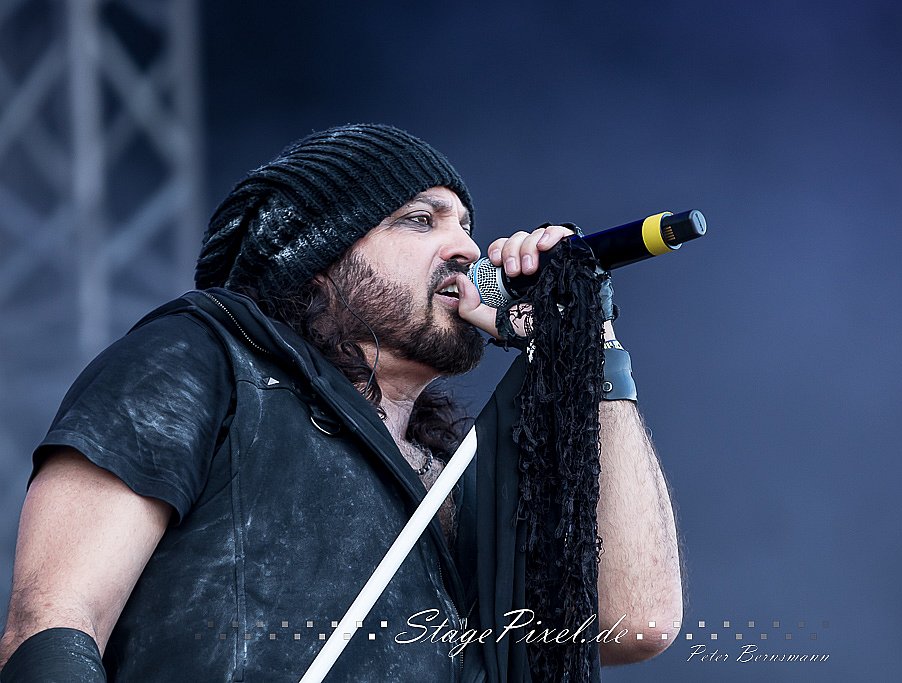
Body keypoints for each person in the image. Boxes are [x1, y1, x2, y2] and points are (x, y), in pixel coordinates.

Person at [0, 124, 683, 682]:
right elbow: (54, 620)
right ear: (316, 260)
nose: (467, 248)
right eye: (421, 220)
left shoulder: (463, 474)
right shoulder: (201, 356)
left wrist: (587, 341)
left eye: (467, 225)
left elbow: (637, 622)